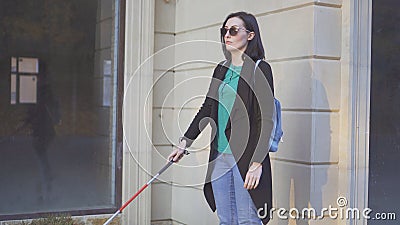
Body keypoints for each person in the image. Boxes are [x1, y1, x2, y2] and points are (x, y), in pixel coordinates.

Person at [168, 11, 275, 225]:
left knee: (247, 220)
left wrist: (257, 162)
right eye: (224, 31)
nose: (227, 34)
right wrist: (184, 143)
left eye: (233, 30)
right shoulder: (222, 69)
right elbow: (208, 109)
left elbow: (266, 119)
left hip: (245, 157)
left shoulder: (260, 69)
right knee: (226, 220)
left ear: (251, 35)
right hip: (220, 156)